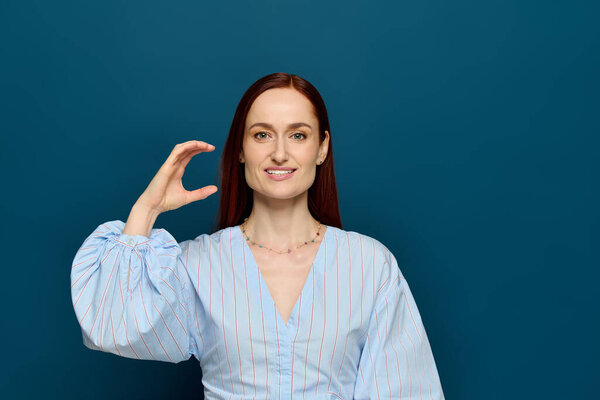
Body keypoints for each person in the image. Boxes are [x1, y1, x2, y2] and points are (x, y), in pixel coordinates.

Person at [70, 72, 445, 399]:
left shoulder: (369, 264)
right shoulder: (196, 264)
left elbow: (405, 390)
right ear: (241, 150)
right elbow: (111, 326)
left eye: (298, 135)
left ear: (322, 148)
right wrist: (145, 211)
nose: (280, 153)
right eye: (262, 134)